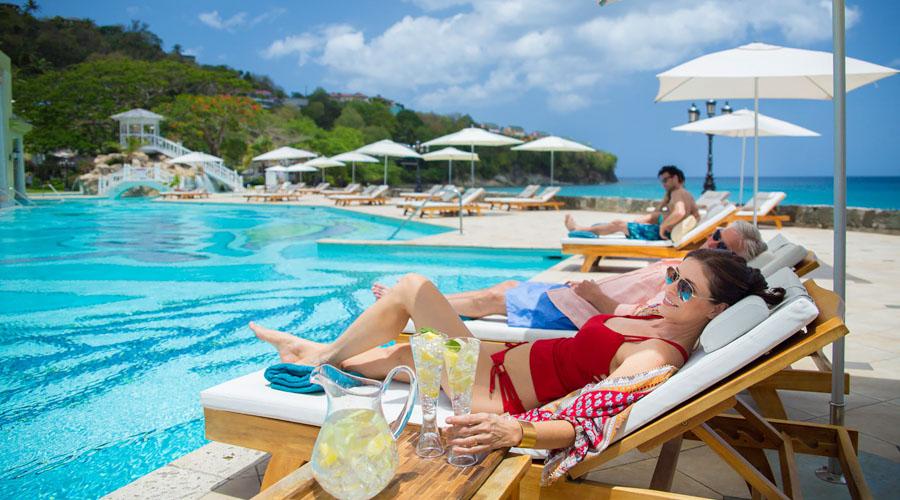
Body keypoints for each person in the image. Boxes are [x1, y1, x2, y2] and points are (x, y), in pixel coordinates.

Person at [252, 249, 784, 455]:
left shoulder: (658, 357)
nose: (669, 289)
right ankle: (316, 356)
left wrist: (518, 432)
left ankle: (316, 353)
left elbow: (590, 421)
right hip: (493, 363)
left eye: (686, 289)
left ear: (717, 312)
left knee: (413, 289)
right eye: (674, 275)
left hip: (493, 392)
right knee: (376, 360)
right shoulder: (660, 315)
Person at [371, 220, 767, 330]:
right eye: (716, 234)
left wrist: (596, 297)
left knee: (490, 300)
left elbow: (639, 316)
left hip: (581, 310)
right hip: (577, 297)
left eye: (722, 246)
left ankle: (413, 303)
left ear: (737, 263)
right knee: (505, 287)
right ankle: (419, 301)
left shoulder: (692, 292)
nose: (712, 242)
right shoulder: (694, 271)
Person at [565, 165, 699, 241]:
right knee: (623, 224)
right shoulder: (687, 195)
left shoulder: (677, 193)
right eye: (662, 181)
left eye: (665, 180)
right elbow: (696, 215)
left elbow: (680, 212)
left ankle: (579, 228)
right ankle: (599, 228)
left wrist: (664, 226)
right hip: (667, 233)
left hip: (661, 234)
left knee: (618, 224)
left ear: (675, 178)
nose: (663, 184)